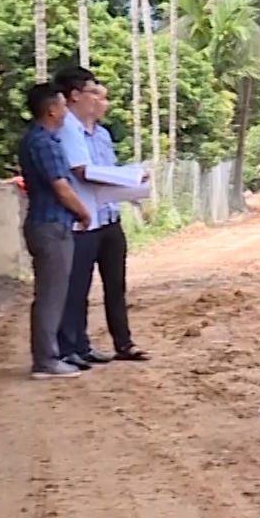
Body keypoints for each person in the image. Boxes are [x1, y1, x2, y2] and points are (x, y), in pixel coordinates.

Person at [17, 83, 94, 379]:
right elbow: (61, 188)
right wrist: (84, 212)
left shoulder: (33, 140)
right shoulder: (45, 143)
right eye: (62, 106)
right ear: (51, 110)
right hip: (52, 226)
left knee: (49, 293)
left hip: (43, 223)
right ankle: (46, 360)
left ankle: (48, 356)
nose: (65, 112)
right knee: (51, 295)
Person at [83, 78, 148, 361]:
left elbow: (109, 172)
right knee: (80, 287)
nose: (105, 104)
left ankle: (124, 343)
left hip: (109, 217)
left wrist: (133, 185)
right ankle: (79, 345)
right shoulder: (69, 136)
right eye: (101, 97)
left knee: (116, 285)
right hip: (86, 220)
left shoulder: (103, 135)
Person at [53, 67, 113, 369]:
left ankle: (80, 344)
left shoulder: (84, 130)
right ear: (74, 96)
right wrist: (124, 179)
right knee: (72, 289)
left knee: (82, 288)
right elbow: (81, 170)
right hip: (77, 218)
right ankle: (67, 347)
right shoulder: (67, 130)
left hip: (91, 216)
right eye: (92, 92)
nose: (97, 99)